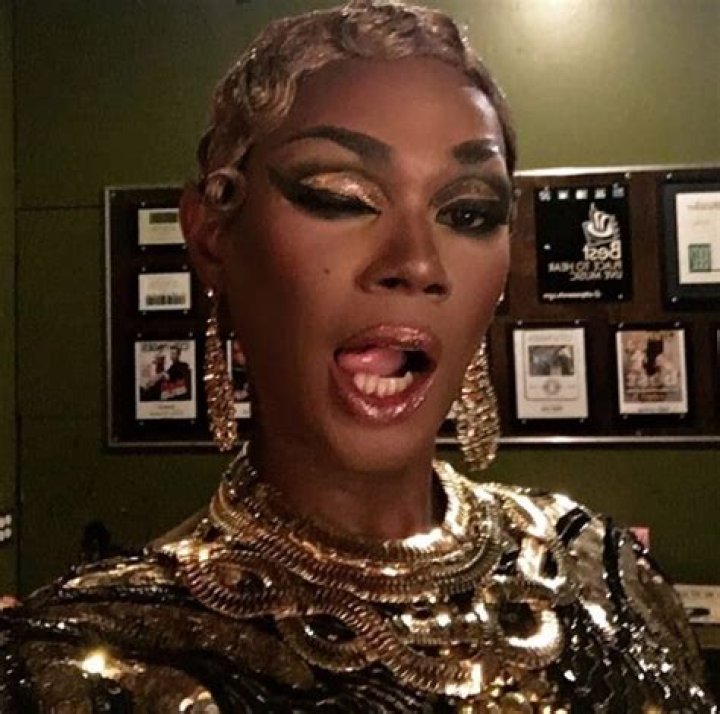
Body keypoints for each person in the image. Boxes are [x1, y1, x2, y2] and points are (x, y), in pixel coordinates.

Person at [1, 1, 714, 711]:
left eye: (468, 212)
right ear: (213, 236)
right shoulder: (90, 665)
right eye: (341, 197)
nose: (417, 262)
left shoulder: (602, 576)